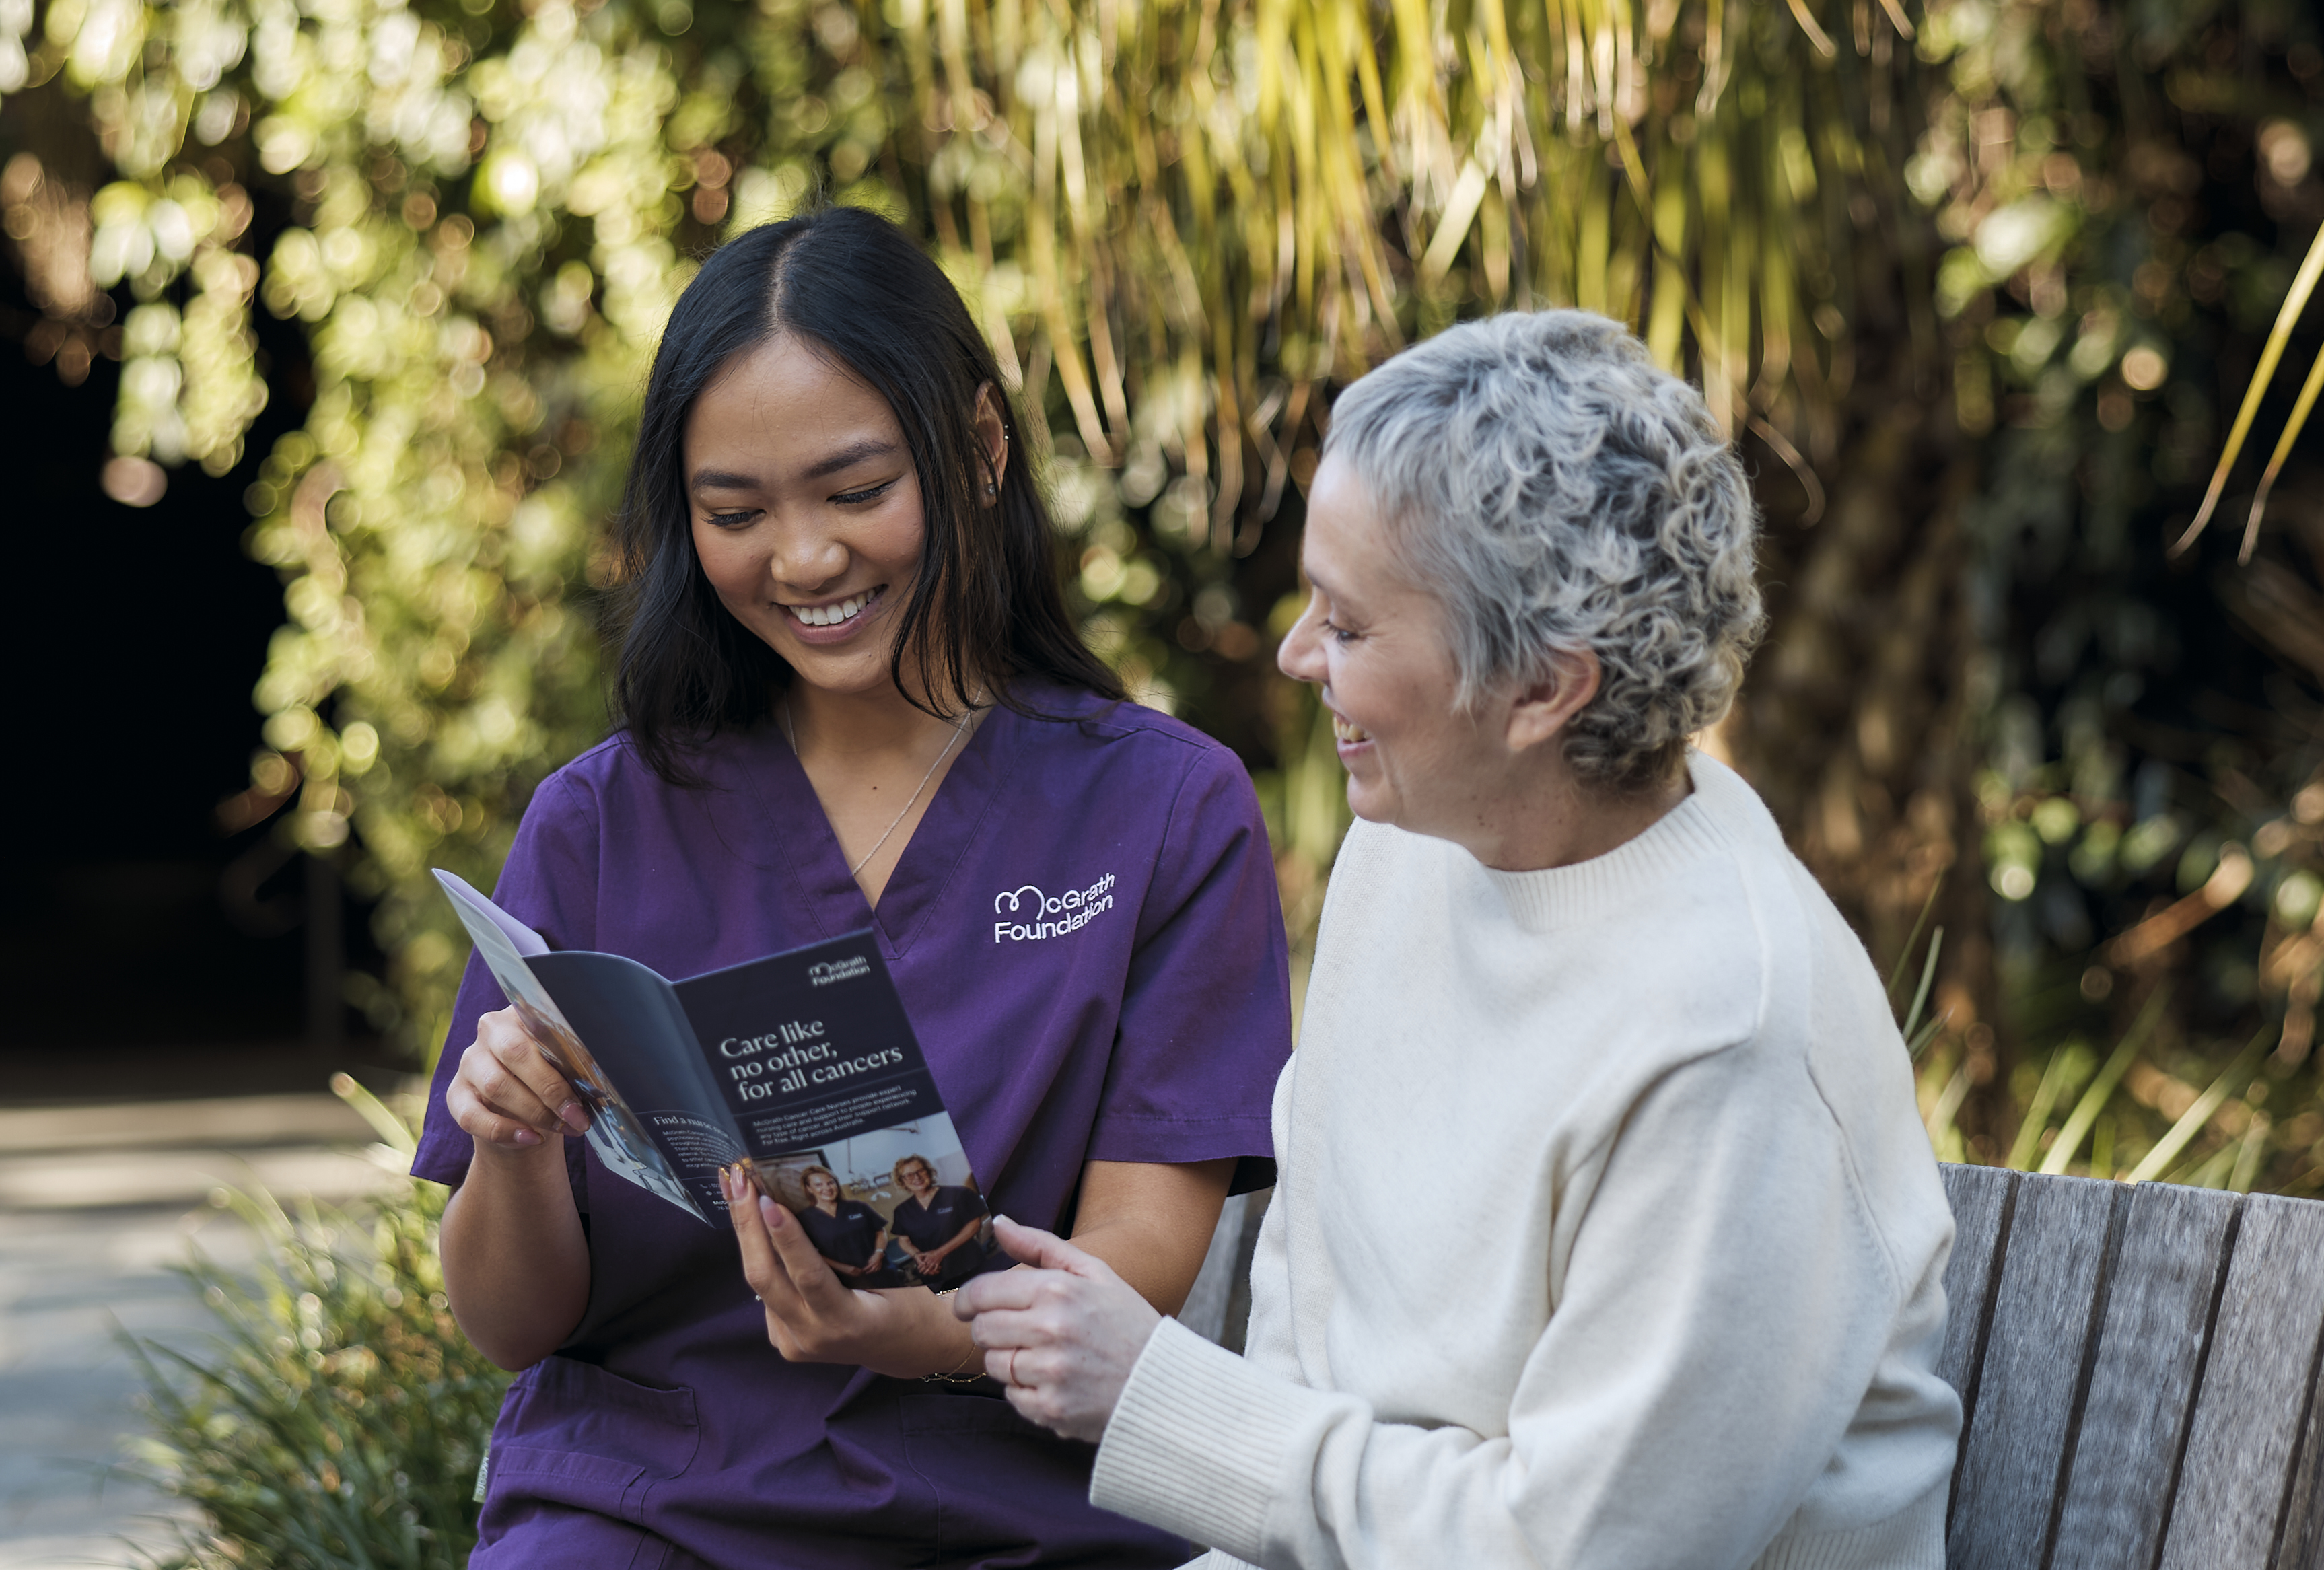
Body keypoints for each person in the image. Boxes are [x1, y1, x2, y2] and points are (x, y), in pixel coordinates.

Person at [958, 310, 1965, 1569]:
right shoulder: (1420, 836)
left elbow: (1576, 1553)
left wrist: (1161, 1396)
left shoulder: (1730, 1032)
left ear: (1543, 688)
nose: (1294, 653)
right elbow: (1315, 1337)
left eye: (1350, 622)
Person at [414, 204, 1294, 1570]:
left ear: (980, 448)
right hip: (646, 1508)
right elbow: (512, 1323)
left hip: (1021, 1511)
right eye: (735, 511)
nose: (805, 558)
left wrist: (919, 1333)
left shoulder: (1163, 809)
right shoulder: (598, 823)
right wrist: (517, 1146)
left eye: (854, 489)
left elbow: (1137, 1263)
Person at [888, 1155, 989, 1287]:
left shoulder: (958, 1194)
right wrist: (917, 1256)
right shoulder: (901, 1211)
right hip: (932, 1271)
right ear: (902, 1181)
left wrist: (939, 1253)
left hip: (968, 1263)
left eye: (921, 1171)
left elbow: (975, 1225)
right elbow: (904, 1240)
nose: (917, 1177)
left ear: (929, 1171)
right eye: (909, 1175)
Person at [791, 1166, 891, 1289]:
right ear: (809, 1189)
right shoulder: (804, 1219)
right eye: (819, 1185)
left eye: (830, 1183)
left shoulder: (858, 1206)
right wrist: (842, 1268)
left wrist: (879, 1253)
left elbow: (880, 1231)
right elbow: (810, 1252)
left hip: (881, 1270)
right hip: (846, 1281)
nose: (827, 1188)